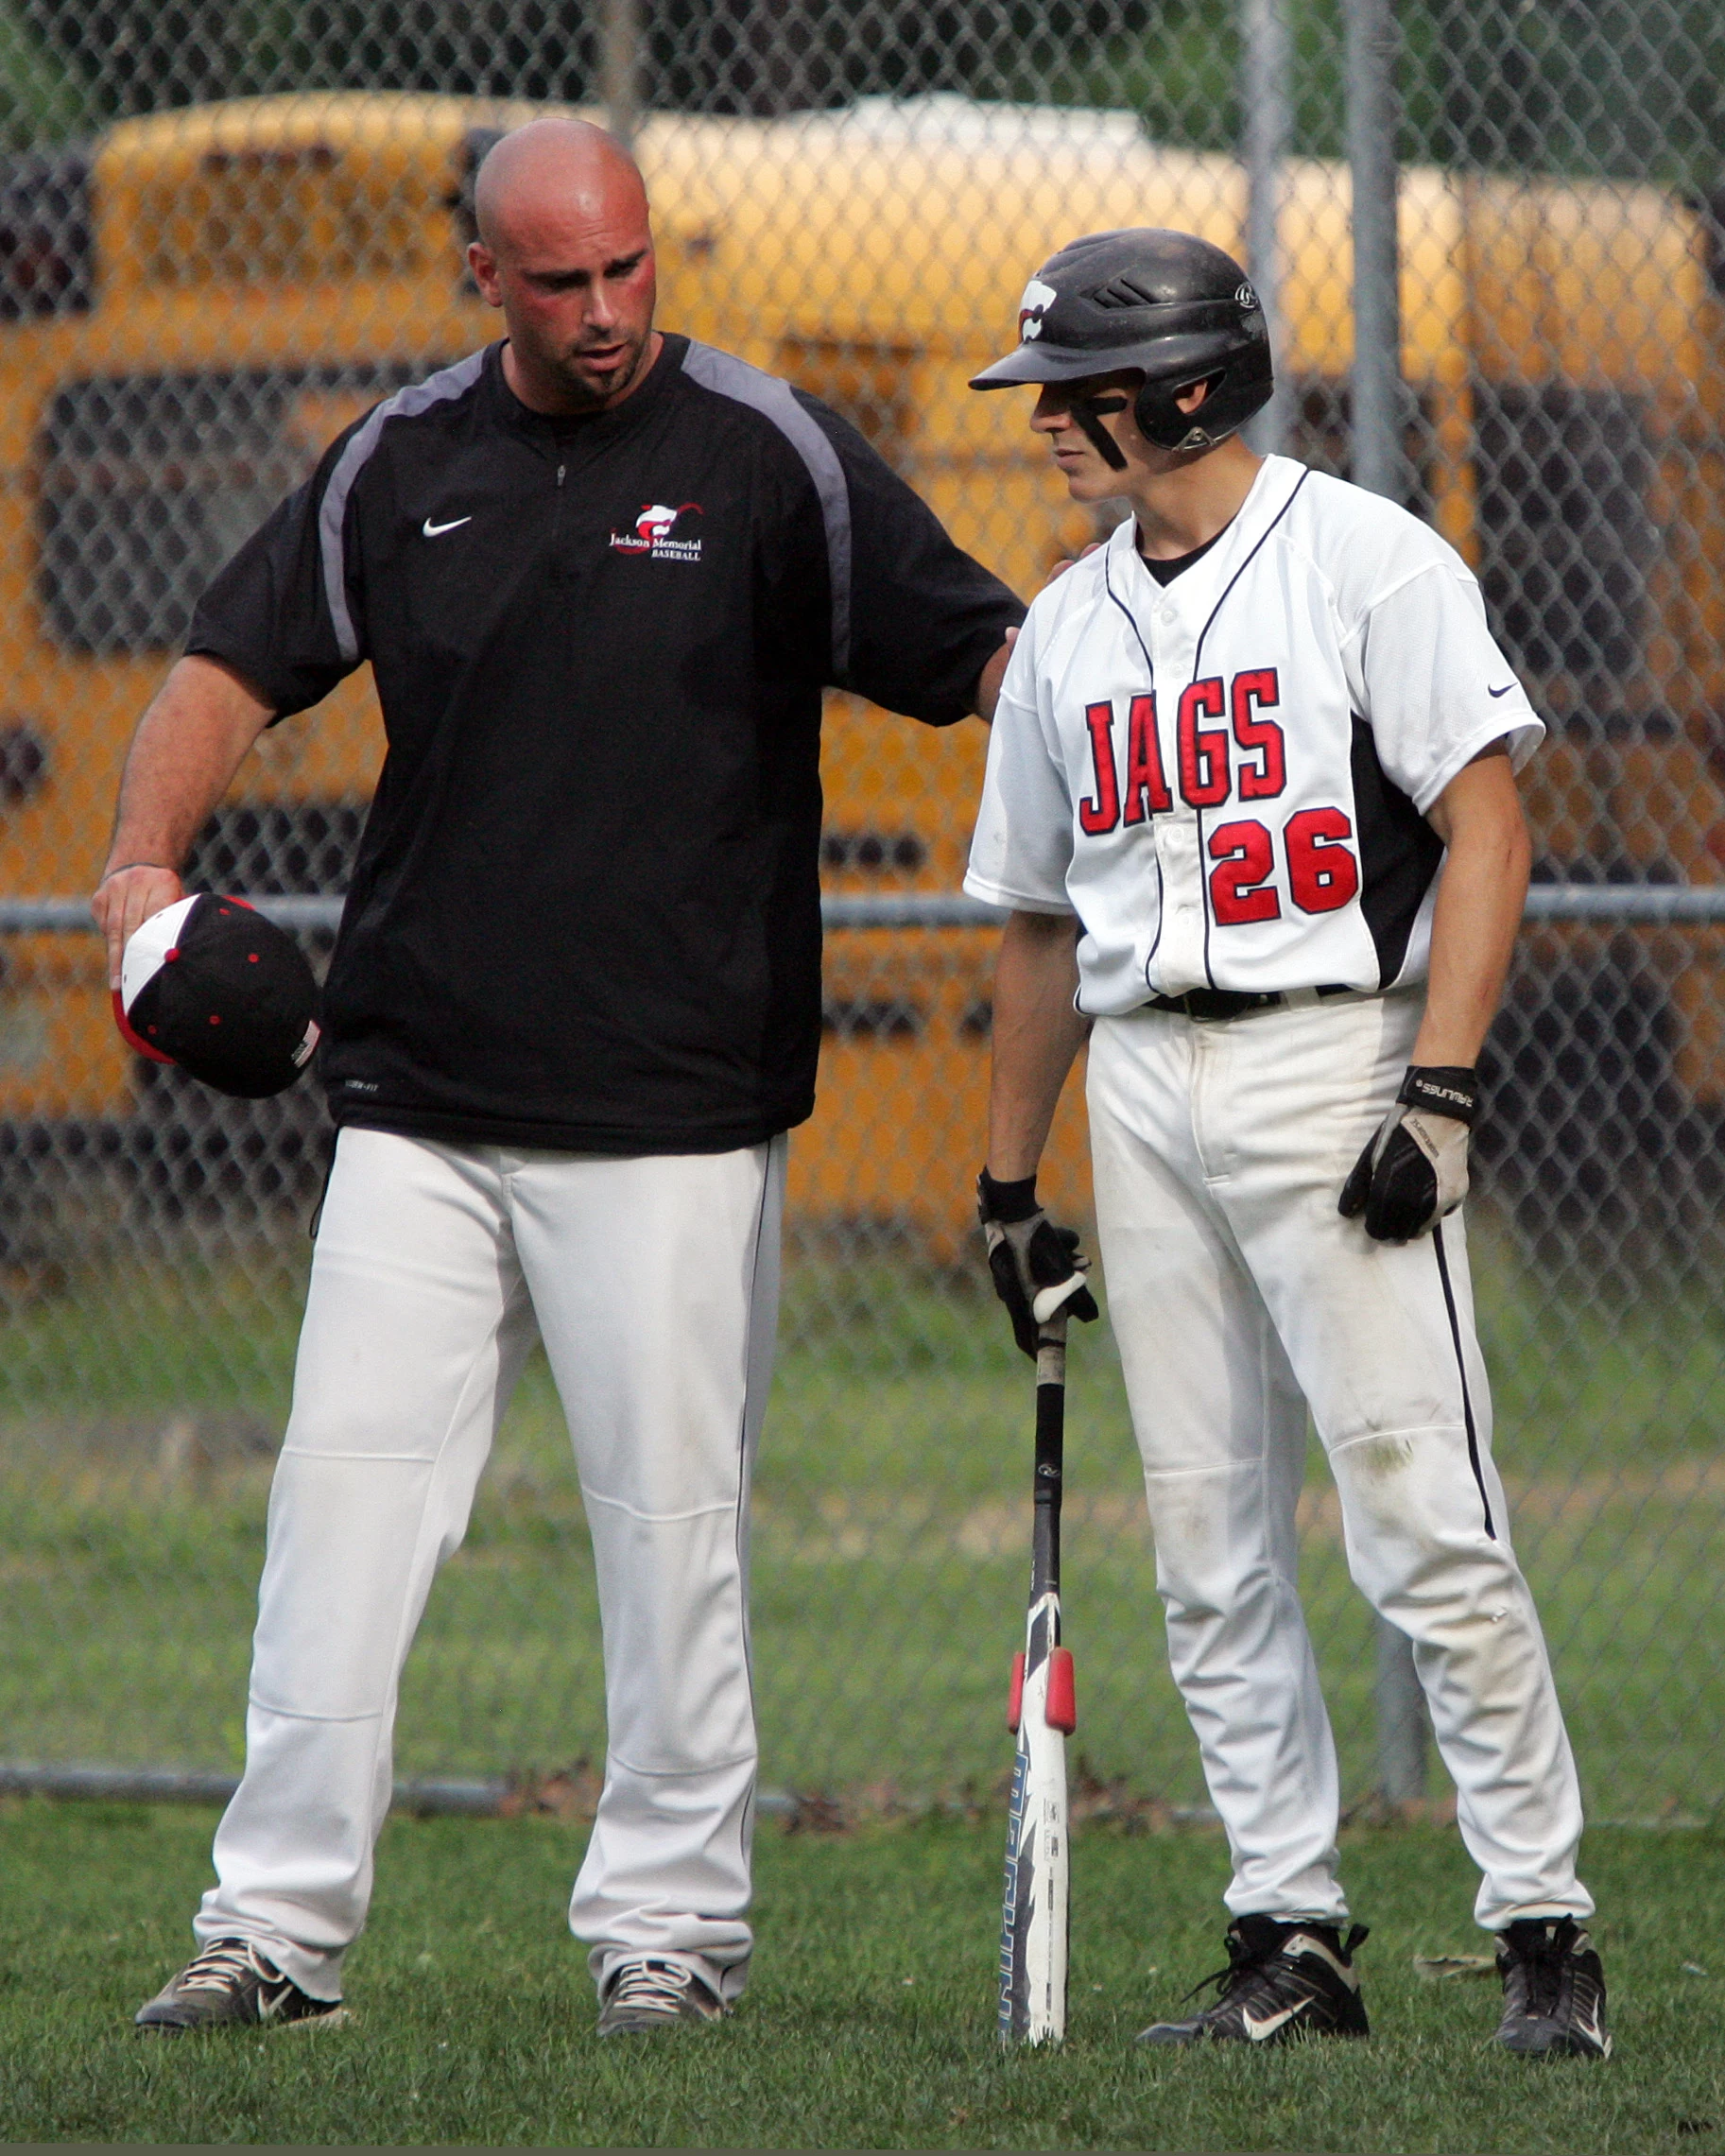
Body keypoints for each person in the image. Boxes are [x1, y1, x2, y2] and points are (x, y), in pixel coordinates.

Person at [96, 117, 1022, 2038]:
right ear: (485, 280)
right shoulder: (400, 461)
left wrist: (1133, 764)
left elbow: (986, 650)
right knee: (340, 1514)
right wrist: (135, 876)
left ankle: (669, 1939)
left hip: (676, 1111)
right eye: (563, 279)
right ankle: (272, 1932)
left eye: (630, 270)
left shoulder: (768, 455)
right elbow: (218, 670)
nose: (607, 312)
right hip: (414, 1096)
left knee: (674, 1540)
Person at [964, 227, 1611, 2059]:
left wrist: (1447, 1087)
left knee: (1424, 1516)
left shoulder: (1362, 562)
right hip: (1143, 1083)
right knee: (1206, 1544)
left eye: (1073, 395)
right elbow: (1033, 921)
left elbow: (1485, 827)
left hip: (1338, 1058)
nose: (1047, 431)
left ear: (1176, 386)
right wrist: (1008, 1185)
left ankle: (1545, 1931)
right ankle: (1288, 1939)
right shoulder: (1069, 630)